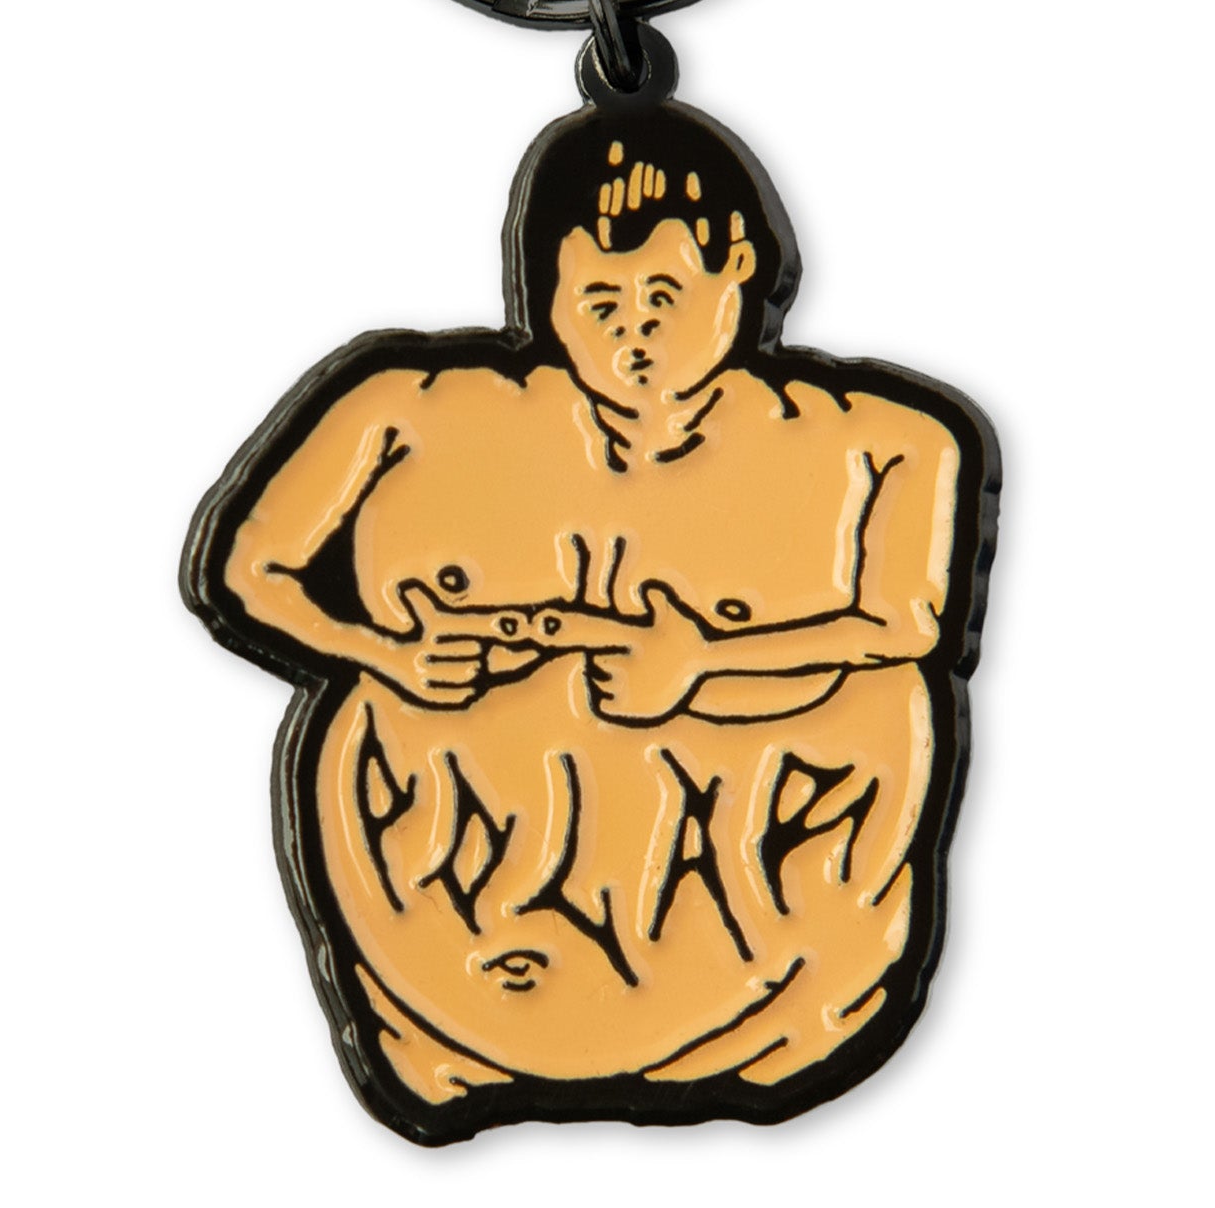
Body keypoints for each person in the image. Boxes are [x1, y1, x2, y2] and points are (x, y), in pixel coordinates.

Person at [184, 99, 995, 1140]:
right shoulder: (400, 408)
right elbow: (245, 567)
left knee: (878, 706)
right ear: (547, 293)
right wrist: (381, 650)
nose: (633, 336)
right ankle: (475, 1024)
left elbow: (910, 623)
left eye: (664, 295)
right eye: (599, 302)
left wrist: (706, 664)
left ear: (739, 270)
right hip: (449, 940)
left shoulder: (893, 444)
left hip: (758, 953)